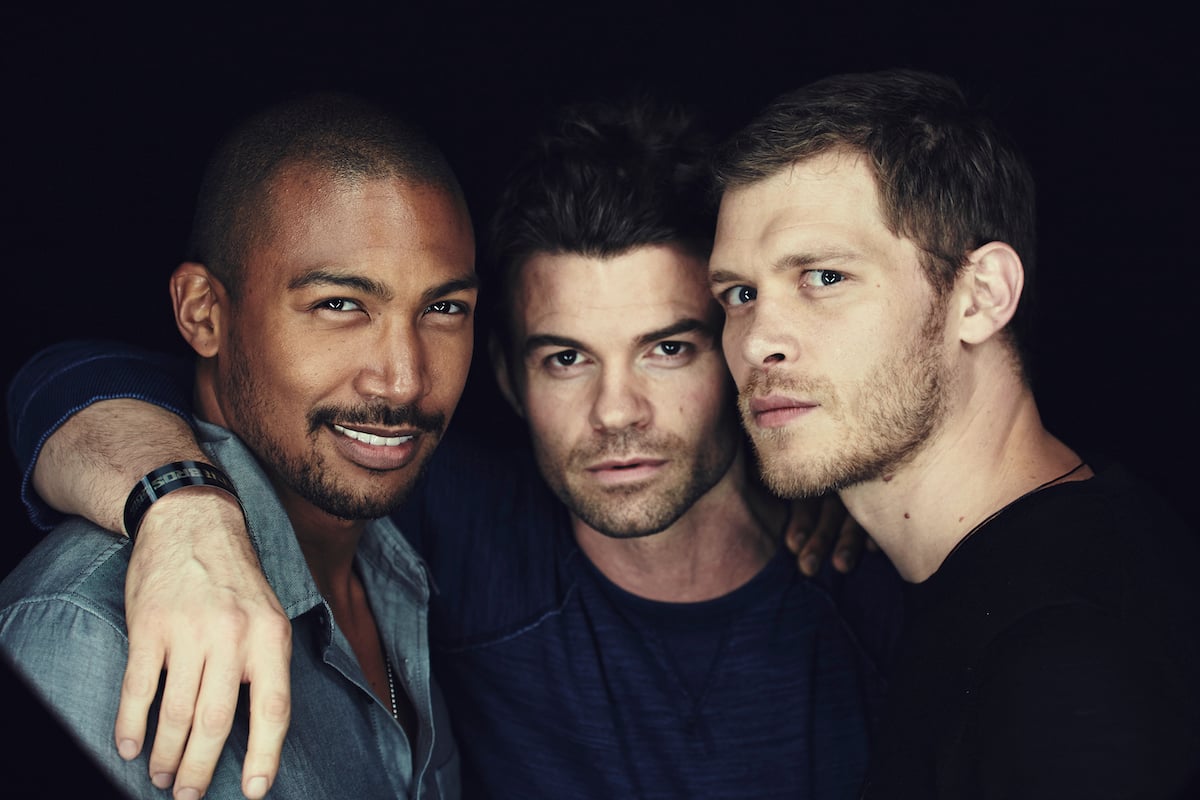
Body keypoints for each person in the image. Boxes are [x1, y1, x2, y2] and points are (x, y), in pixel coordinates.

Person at [6, 98, 903, 798]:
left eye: (669, 348)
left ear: (740, 353)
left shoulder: (872, 573)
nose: (617, 412)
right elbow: (100, 376)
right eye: (565, 358)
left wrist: (817, 467)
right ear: (510, 382)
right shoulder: (457, 523)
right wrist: (178, 504)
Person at [707, 68, 1200, 797]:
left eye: (824, 277)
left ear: (980, 298)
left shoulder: (1066, 665)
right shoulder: (1038, 543)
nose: (755, 343)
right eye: (740, 294)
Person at [0, 92, 475, 799]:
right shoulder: (89, 629)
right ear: (203, 314)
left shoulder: (413, 556)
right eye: (340, 305)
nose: (404, 381)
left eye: (443, 309)